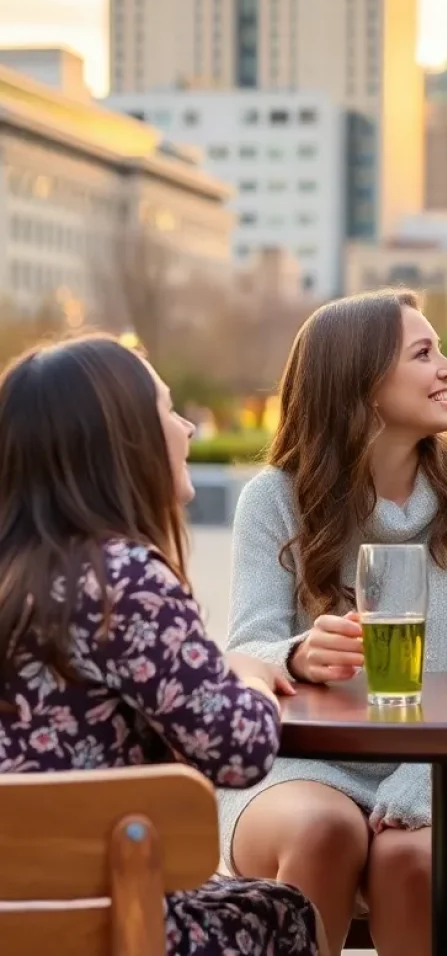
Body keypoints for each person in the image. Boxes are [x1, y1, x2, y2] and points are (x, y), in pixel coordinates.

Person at [221, 289, 447, 955]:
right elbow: (248, 649)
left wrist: (429, 772)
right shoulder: (274, 498)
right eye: (424, 354)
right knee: (323, 833)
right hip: (301, 771)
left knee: (412, 862)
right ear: (361, 386)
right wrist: (299, 655)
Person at [0, 335, 325, 956]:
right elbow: (240, 749)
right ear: (122, 446)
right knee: (278, 913)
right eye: (169, 412)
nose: (186, 430)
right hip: (103, 921)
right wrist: (251, 676)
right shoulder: (122, 581)